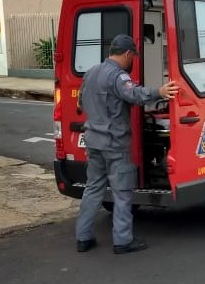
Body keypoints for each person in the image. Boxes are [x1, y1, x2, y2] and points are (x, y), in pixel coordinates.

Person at [75, 34, 178, 255]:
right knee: (122, 192)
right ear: (128, 54)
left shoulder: (91, 72)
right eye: (133, 57)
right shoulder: (117, 76)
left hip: (94, 142)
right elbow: (135, 94)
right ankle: (122, 241)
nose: (132, 61)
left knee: (93, 189)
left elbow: (81, 103)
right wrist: (159, 92)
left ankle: (83, 237)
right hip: (114, 144)